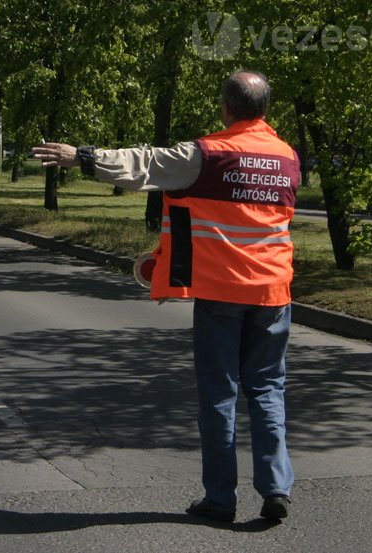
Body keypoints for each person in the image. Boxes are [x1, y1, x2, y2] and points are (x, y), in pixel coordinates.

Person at [32, 70, 299, 523]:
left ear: (226, 107)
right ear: (265, 109)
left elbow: (144, 164)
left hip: (222, 292)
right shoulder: (288, 156)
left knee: (220, 393)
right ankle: (276, 487)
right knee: (268, 389)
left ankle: (220, 500)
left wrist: (82, 156)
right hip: (274, 291)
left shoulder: (209, 153)